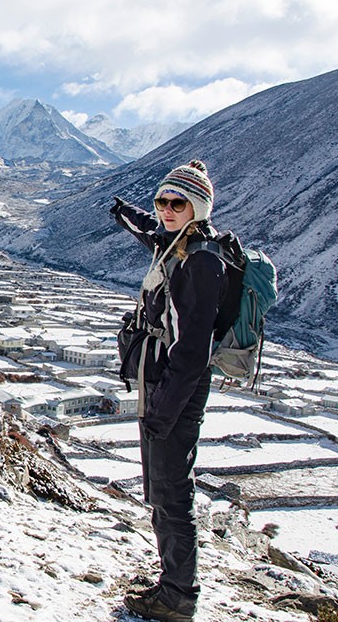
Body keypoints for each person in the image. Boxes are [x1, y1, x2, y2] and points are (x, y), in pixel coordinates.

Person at [110, 160, 228, 622]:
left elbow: (192, 352)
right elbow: (153, 233)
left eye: (177, 203)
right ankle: (171, 583)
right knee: (161, 489)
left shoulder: (199, 264)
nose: (166, 211)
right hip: (162, 384)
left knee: (171, 491)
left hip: (175, 390)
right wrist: (129, 214)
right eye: (162, 202)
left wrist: (161, 411)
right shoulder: (178, 246)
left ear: (197, 207)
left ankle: (179, 595)